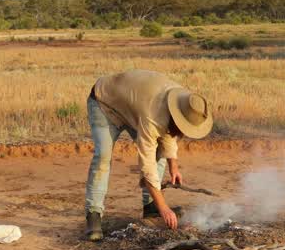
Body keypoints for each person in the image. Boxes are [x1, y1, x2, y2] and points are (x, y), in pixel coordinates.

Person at [84, 69, 213, 240]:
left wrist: (173, 166)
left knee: (160, 149)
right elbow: (147, 164)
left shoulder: (183, 101)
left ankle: (151, 207)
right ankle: (93, 214)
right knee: (103, 157)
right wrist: (164, 208)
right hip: (105, 102)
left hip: (133, 107)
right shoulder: (153, 115)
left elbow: (169, 133)